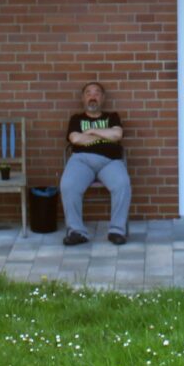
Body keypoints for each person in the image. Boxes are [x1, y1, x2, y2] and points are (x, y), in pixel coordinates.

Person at [60, 81, 131, 245]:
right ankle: (76, 231)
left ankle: (116, 231)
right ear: (83, 99)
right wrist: (105, 134)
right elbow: (75, 139)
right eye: (88, 93)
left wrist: (91, 131)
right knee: (68, 185)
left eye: (97, 93)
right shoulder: (76, 119)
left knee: (122, 184)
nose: (93, 96)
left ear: (103, 98)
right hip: (81, 161)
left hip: (110, 161)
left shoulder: (112, 116)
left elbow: (117, 135)